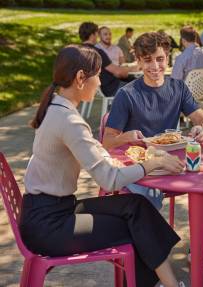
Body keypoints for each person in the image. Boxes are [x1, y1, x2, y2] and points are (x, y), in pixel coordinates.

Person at [19, 44, 186, 287]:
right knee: (134, 227)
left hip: (49, 211)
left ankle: (164, 283)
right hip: (49, 226)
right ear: (80, 78)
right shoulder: (68, 120)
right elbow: (109, 180)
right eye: (97, 75)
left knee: (136, 206)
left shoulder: (57, 107)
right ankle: (168, 284)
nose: (99, 82)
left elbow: (91, 151)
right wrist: (153, 163)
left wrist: (123, 139)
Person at [103, 32, 203, 273]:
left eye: (160, 59)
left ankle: (202, 251)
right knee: (149, 198)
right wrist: (126, 137)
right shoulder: (127, 94)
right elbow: (107, 141)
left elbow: (202, 118)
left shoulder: (177, 87)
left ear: (168, 57)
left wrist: (201, 127)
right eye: (148, 60)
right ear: (139, 61)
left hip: (174, 164)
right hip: (144, 170)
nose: (155, 66)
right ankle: (151, 265)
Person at [79, 22, 135, 98]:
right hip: (110, 89)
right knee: (141, 87)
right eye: (96, 34)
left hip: (89, 89)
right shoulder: (96, 52)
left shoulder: (77, 51)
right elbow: (118, 72)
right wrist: (134, 68)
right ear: (93, 35)